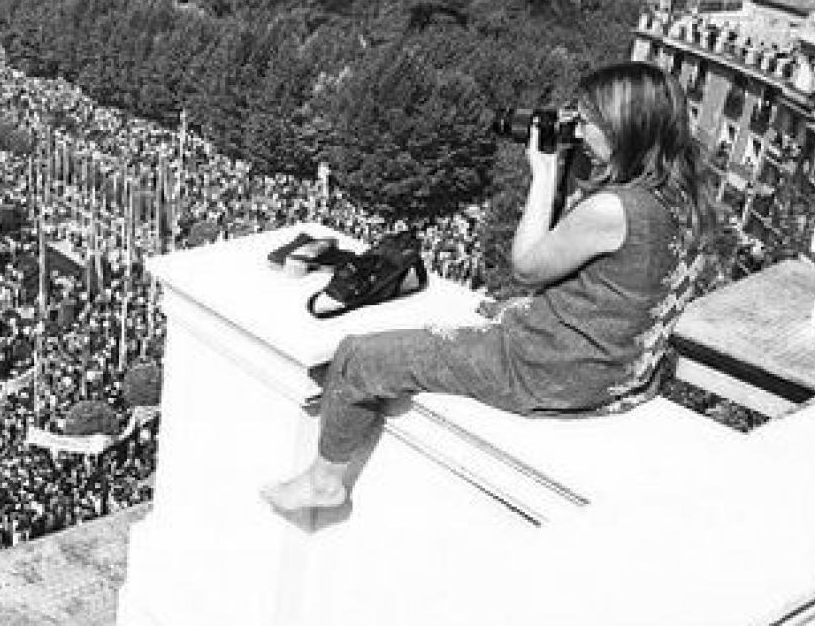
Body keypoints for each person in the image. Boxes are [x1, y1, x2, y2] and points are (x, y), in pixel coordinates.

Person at [262, 61, 715, 513]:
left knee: (359, 357)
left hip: (553, 372)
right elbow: (619, 286)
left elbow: (528, 266)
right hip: (624, 375)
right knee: (488, 316)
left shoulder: (615, 209)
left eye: (590, 121)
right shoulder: (685, 198)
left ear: (627, 128)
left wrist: (544, 174)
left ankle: (324, 481)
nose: (580, 133)